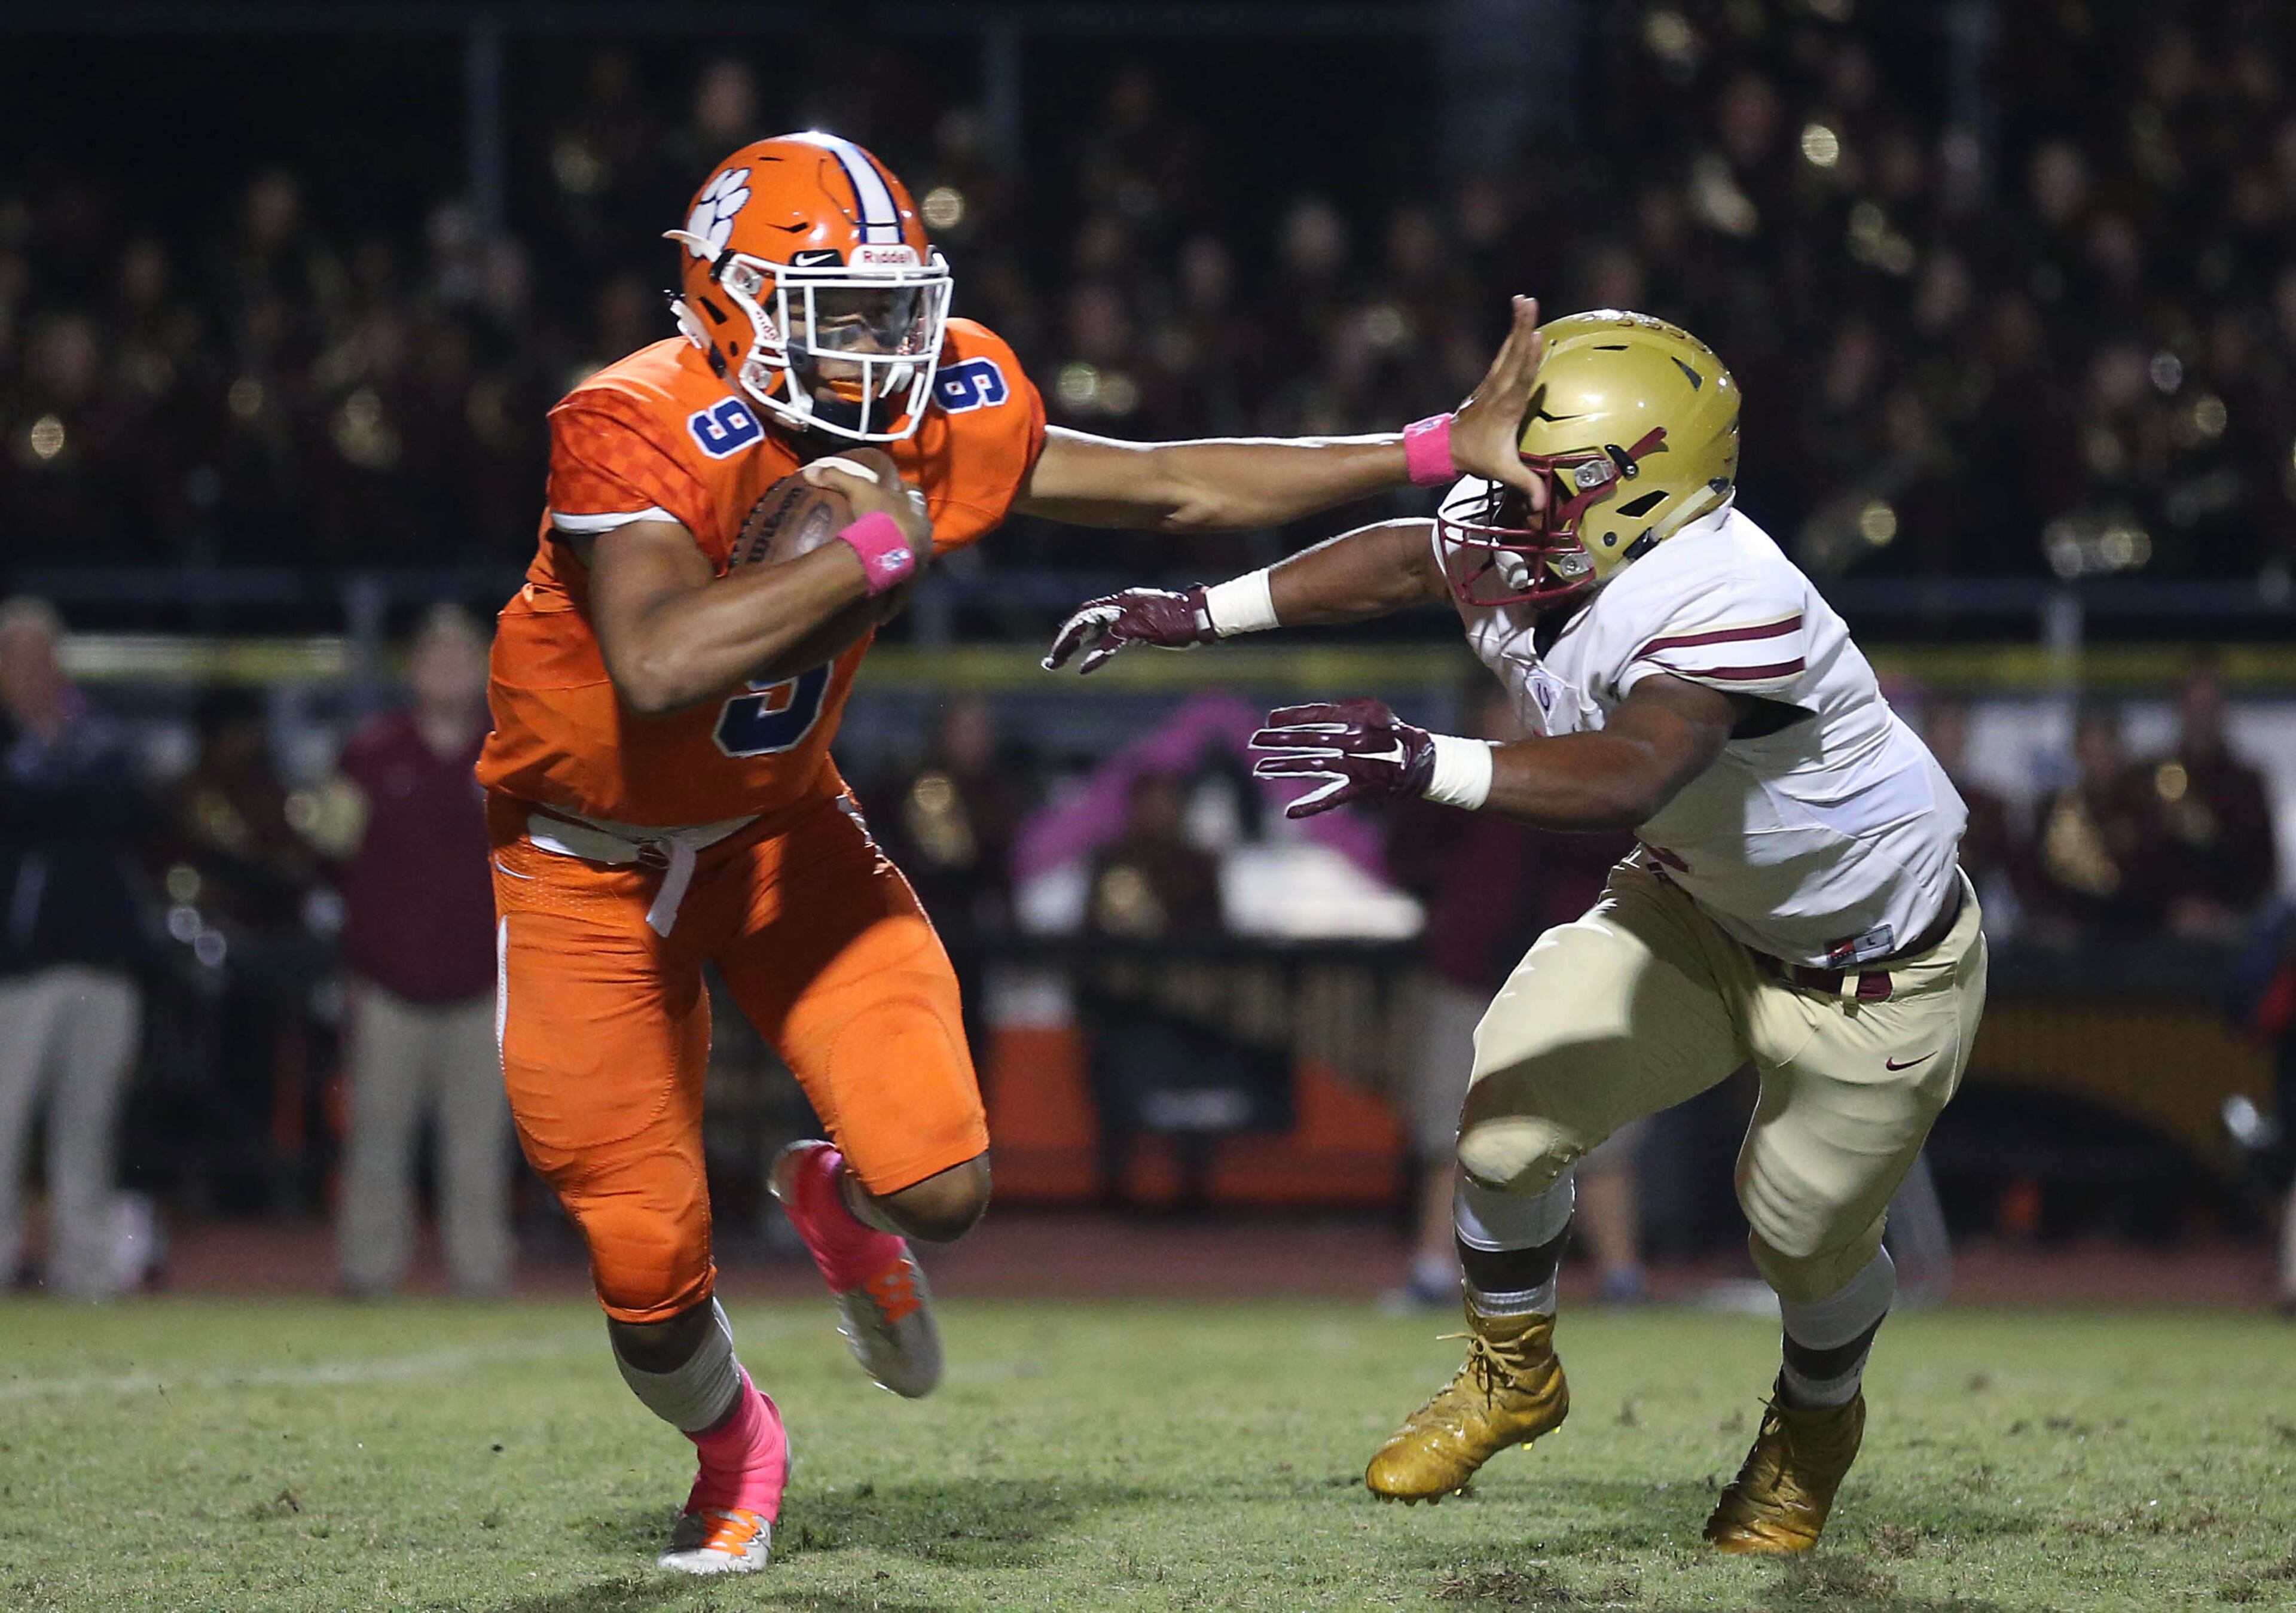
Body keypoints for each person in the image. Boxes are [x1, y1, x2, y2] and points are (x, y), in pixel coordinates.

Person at [477, 130, 1550, 1574]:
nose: (878, 352)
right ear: (727, 300)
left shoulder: (939, 404)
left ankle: (837, 1200)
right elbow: (661, 663)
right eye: (837, 315)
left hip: (780, 834)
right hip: (580, 869)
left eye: (893, 308)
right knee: (649, 1279)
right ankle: (736, 1444)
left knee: (945, 1187)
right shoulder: (633, 417)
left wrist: (1426, 449)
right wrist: (863, 558)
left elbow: (1172, 485)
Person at [1048, 309, 1986, 1554]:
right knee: (1502, 1129)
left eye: (1530, 480)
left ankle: (1813, 1424)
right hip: (1697, 912)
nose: (1493, 509)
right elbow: (1401, 557)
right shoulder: (1543, 527)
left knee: (1801, 1238)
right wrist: (1197, 614)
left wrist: (1426, 759)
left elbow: (1636, 767)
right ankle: (1512, 1372)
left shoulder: (1724, 589)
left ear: (1637, 486)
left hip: (1877, 966)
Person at [1382, 683, 1640, 1310]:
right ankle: (1432, 1270)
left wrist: (1542, 781)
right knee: (1451, 1126)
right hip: (1474, 972)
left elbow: (1623, 848)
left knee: (1598, 1131)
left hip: (1573, 974)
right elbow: (1407, 855)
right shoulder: (1456, 774)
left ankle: (1621, 1275)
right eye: (1501, 707)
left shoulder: (1587, 775)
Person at [331, 605, 512, 1298]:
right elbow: (333, 856)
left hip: (482, 980)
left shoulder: (511, 754)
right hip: (390, 980)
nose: (447, 670)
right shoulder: (371, 754)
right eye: (435, 656)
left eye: (461, 657)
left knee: (478, 1145)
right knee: (377, 1138)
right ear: (414, 670)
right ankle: (367, 1271)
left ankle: (481, 1272)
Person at [0, 597, 149, 1299]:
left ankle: (84, 1267)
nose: (30, 671)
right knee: (4, 1124)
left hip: (103, 960)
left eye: (41, 655)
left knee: (87, 1127)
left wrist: (49, 796)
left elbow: (130, 806)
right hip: (19, 970)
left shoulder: (100, 734)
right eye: (16, 658)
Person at [2151, 662, 2277, 943]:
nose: (2202, 717)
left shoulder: (2247, 784)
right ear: (2179, 708)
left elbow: (2262, 864)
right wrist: (2174, 907)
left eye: (2209, 707)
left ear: (2222, 711)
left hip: (2233, 925)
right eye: (2194, 706)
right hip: (2161, 929)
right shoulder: (2152, 778)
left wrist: (2220, 911)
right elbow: (2144, 859)